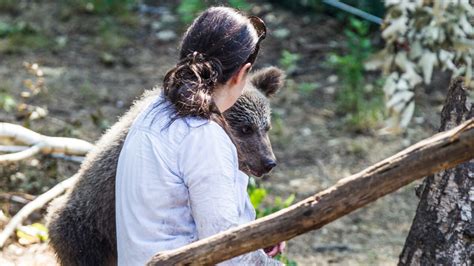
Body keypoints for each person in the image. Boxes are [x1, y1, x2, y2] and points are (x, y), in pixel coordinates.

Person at [115, 6, 284, 265]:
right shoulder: (204, 137)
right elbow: (228, 253)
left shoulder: (154, 111)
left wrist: (258, 235)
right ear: (242, 74)